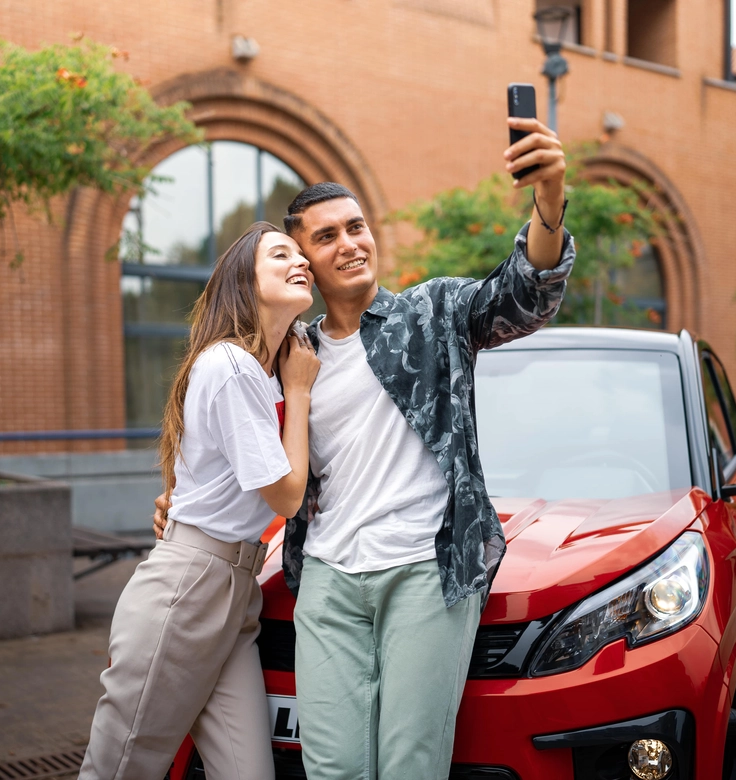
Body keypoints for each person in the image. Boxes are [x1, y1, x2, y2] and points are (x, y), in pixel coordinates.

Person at [154, 116, 574, 778]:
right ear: (303, 263)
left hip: (425, 574)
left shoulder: (434, 314)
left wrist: (548, 202)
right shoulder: (294, 356)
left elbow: (524, 296)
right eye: (326, 237)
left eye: (356, 227)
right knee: (334, 768)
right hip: (326, 580)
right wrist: (177, 501)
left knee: (410, 765)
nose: (350, 243)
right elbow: (243, 448)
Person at [80, 222, 320, 780]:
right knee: (122, 767)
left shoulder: (269, 372)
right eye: (280, 254)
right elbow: (286, 496)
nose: (300, 261)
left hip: (237, 591)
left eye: (301, 254)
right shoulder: (231, 364)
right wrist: (304, 391)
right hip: (190, 584)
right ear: (245, 281)